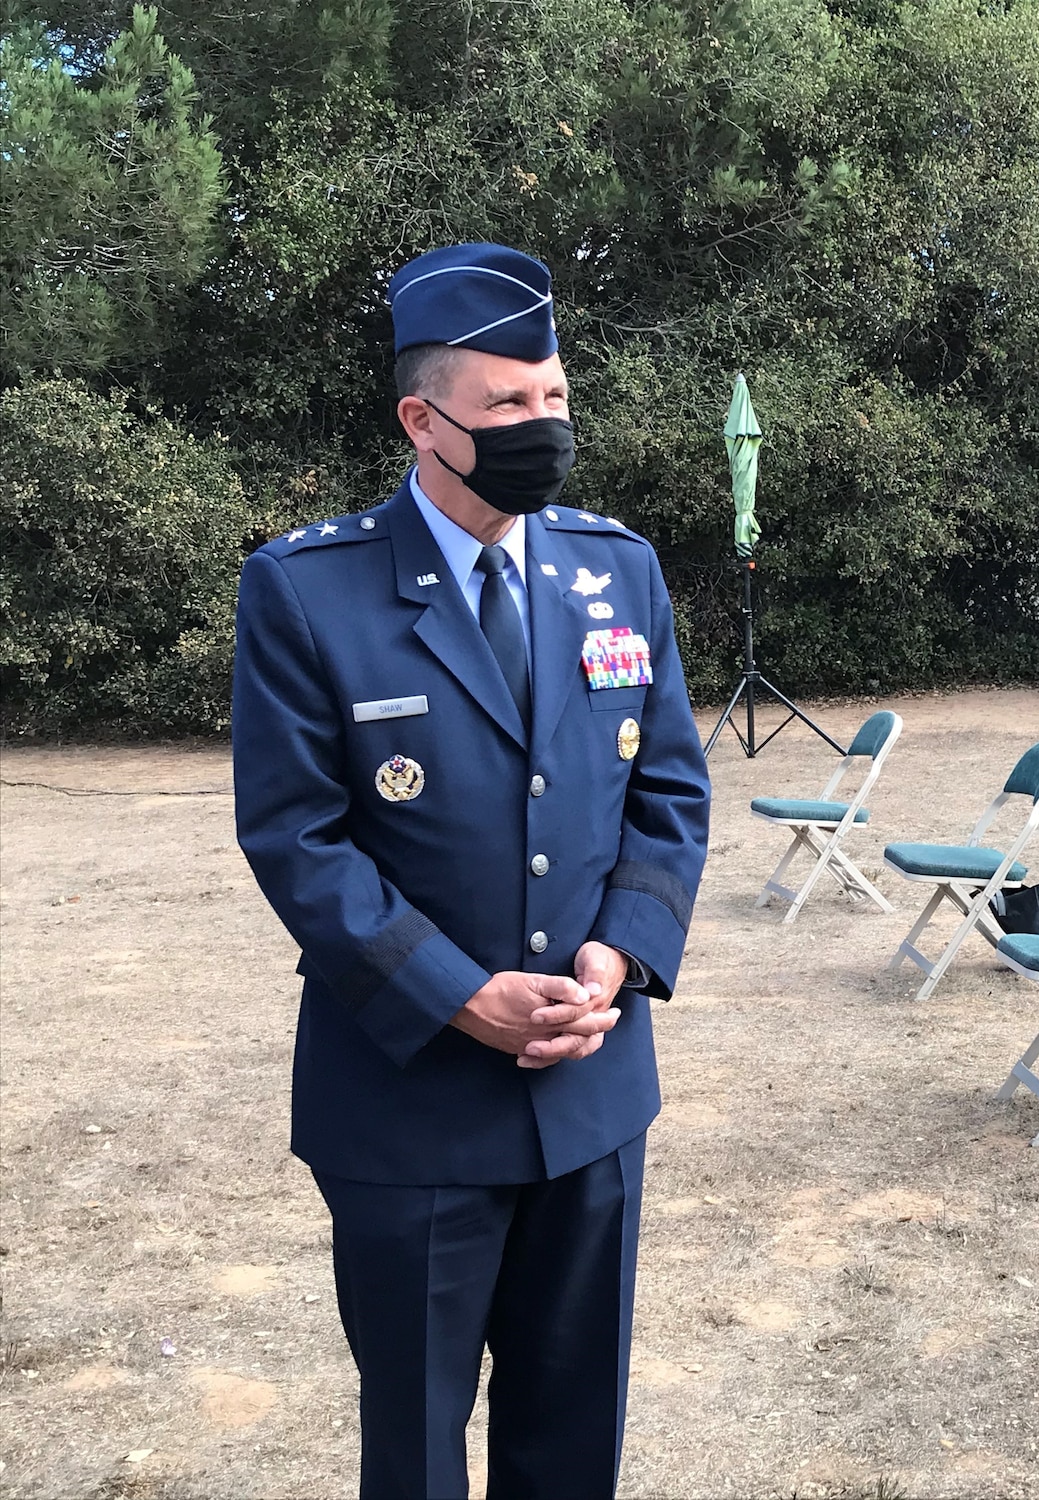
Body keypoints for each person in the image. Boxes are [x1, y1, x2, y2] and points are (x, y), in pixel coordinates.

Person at [232, 242, 711, 1500]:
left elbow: (668, 789)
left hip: (593, 1091)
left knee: (572, 1437)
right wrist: (459, 994)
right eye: (506, 403)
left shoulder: (619, 570)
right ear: (422, 417)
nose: (539, 425)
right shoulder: (307, 590)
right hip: (411, 1102)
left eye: (552, 396)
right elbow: (296, 836)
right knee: (419, 1440)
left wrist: (623, 949)